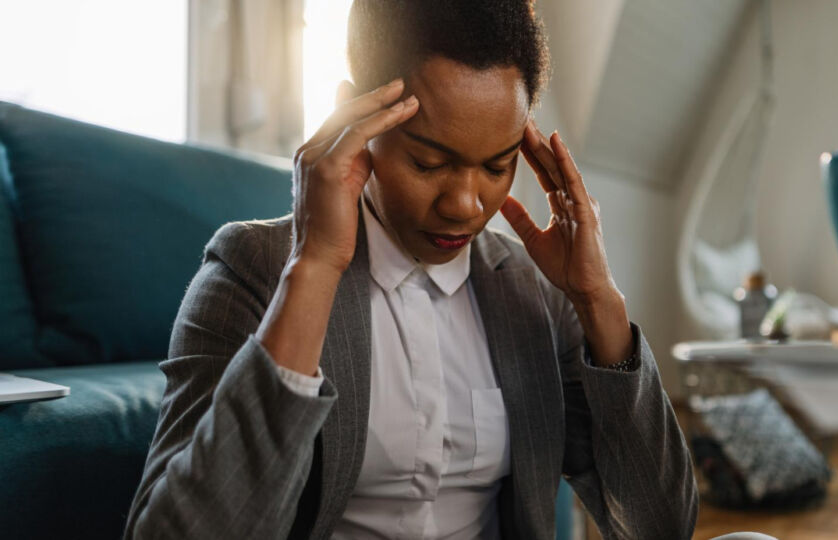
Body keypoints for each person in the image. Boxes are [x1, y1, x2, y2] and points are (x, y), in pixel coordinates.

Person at [124, 1, 697, 539]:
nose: (466, 205)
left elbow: (659, 526)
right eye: (429, 161)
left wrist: (598, 299)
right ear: (356, 117)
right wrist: (316, 265)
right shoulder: (254, 268)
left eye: (497, 165)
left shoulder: (532, 293)